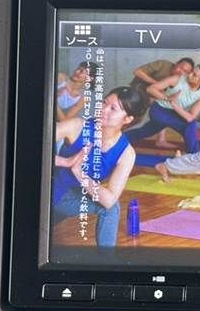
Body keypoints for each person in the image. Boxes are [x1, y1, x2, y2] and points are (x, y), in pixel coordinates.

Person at [52, 87, 148, 247]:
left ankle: (106, 259)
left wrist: (79, 173)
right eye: (104, 102)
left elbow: (109, 200)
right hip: (50, 191)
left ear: (128, 119)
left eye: (113, 108)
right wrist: (65, 162)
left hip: (74, 198)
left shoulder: (126, 153)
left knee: (110, 207)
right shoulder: (76, 126)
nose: (103, 109)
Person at [125, 64, 200, 153]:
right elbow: (150, 89)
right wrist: (167, 98)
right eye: (191, 72)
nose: (189, 75)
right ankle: (193, 155)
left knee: (145, 131)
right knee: (190, 126)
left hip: (175, 113)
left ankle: (122, 138)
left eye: (194, 75)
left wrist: (173, 104)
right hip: (159, 110)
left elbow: (190, 117)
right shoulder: (177, 79)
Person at [130, 57, 195, 148]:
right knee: (136, 120)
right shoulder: (163, 64)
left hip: (155, 96)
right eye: (180, 68)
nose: (181, 72)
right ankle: (118, 136)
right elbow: (137, 71)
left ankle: (161, 139)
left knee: (165, 108)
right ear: (176, 63)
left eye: (185, 72)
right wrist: (157, 83)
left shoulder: (181, 80)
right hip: (139, 90)